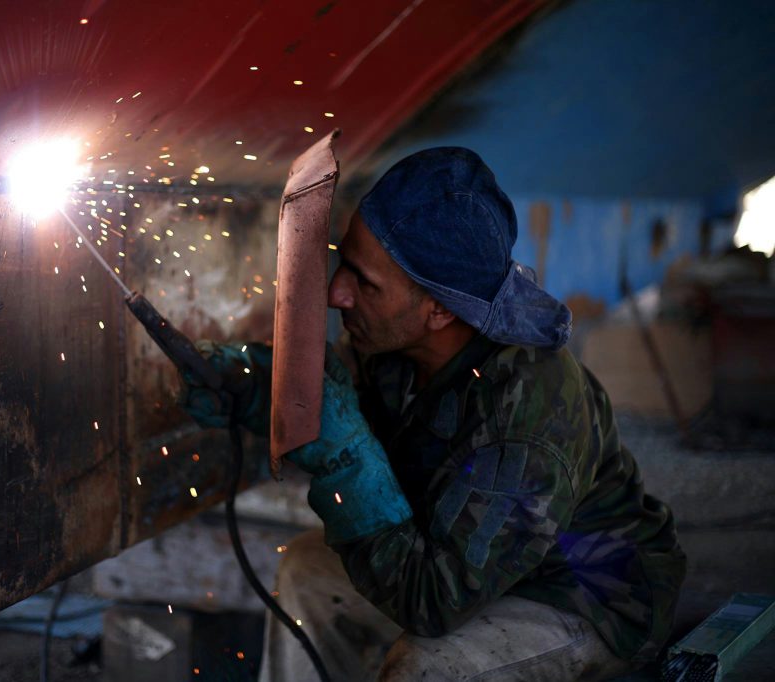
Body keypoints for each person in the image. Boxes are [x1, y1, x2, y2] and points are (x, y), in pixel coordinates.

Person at [181, 147, 686, 681]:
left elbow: (434, 601)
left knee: (428, 667)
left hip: (581, 596)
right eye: (343, 264)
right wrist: (262, 392)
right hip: (474, 564)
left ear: (441, 309)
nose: (336, 293)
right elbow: (345, 405)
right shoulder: (397, 350)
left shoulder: (528, 422)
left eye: (365, 283)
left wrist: (347, 463)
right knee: (308, 570)